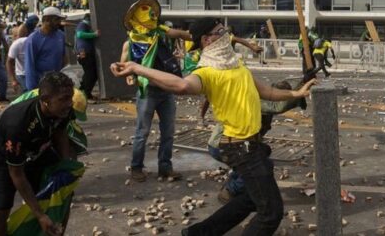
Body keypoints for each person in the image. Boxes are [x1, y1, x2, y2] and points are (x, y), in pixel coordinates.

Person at [110, 17, 316, 236]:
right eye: (221, 32)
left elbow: (269, 92)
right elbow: (181, 85)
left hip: (252, 146)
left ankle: (198, 233)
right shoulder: (206, 72)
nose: (226, 35)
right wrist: (136, 68)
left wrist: (297, 93)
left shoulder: (237, 67)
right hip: (240, 148)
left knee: (250, 199)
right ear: (207, 40)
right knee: (271, 213)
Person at [0, 72, 76, 236]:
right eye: (64, 99)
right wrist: (40, 215)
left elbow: (60, 132)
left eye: (71, 97)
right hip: (6, 161)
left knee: (63, 193)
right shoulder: (18, 123)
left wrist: (64, 164)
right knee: (1, 211)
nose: (69, 103)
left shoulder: (63, 109)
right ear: (45, 101)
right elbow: (17, 174)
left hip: (38, 151)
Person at [122, 0, 191, 182]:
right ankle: (136, 168)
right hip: (147, 93)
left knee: (168, 132)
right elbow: (124, 65)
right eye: (145, 12)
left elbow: (178, 33)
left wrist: (198, 35)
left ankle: (165, 168)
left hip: (166, 91)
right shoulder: (130, 43)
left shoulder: (161, 34)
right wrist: (128, 74)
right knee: (142, 132)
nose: (151, 15)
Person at [23, 7, 67, 91]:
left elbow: (63, 57)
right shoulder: (33, 39)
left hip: (57, 83)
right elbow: (29, 65)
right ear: (46, 19)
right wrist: (32, 89)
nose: (59, 22)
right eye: (56, 19)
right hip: (41, 84)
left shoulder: (61, 35)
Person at [75, 13, 99, 99]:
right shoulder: (83, 25)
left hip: (87, 53)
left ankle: (84, 91)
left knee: (90, 74)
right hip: (84, 53)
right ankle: (84, 92)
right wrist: (94, 34)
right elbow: (80, 34)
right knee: (90, 74)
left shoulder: (86, 26)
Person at [7, 25, 29, 93]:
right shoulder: (17, 44)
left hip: (25, 73)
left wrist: (13, 80)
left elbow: (9, 62)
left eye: (14, 35)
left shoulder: (17, 43)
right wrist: (13, 80)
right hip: (22, 74)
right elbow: (9, 62)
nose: (13, 36)